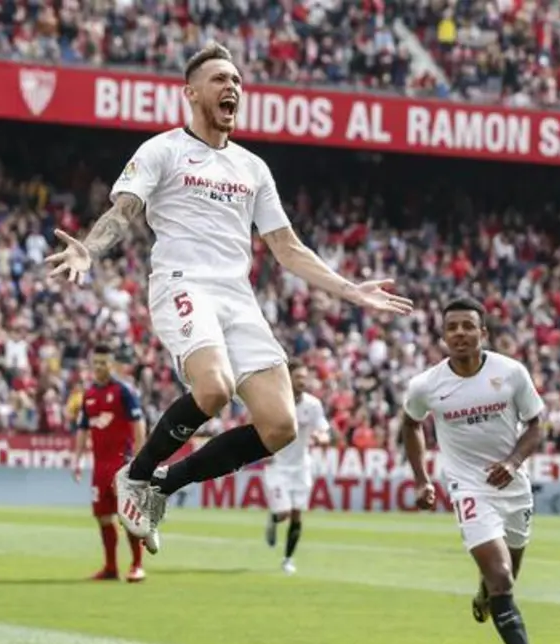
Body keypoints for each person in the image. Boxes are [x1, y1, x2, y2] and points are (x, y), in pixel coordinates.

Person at [45, 42, 412, 552]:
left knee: (281, 425)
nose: (232, 87)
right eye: (220, 79)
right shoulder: (162, 150)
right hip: (182, 281)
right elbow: (125, 212)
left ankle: (161, 486)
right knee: (213, 389)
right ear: (191, 92)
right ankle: (138, 473)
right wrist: (88, 249)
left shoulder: (253, 168)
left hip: (237, 296)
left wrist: (350, 290)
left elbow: (287, 247)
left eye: (237, 80)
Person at [401, 297, 552, 644]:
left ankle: (483, 595)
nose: (461, 334)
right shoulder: (426, 385)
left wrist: (514, 460)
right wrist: (421, 479)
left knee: (504, 580)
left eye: (469, 326)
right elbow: (411, 424)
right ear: (443, 336)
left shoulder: (510, 372)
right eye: (452, 328)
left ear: (483, 333)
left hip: (514, 488)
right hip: (469, 489)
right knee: (502, 577)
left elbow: (536, 423)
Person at [72, 344, 147, 582]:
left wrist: (139, 457)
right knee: (103, 516)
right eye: (96, 363)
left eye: (103, 362)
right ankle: (111, 568)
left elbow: (138, 424)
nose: (99, 367)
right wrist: (76, 459)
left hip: (122, 463)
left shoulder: (123, 391)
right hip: (99, 467)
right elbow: (83, 429)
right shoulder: (89, 395)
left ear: (112, 365)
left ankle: (137, 565)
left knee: (128, 516)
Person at [262, 361, 330, 575]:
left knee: (297, 514)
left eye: (304, 377)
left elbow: (324, 431)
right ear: (288, 378)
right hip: (278, 465)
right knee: (283, 513)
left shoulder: (313, 405)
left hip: (301, 466)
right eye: (298, 377)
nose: (302, 381)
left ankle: (287, 559)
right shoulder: (277, 402)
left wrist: (321, 437)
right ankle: (273, 520)